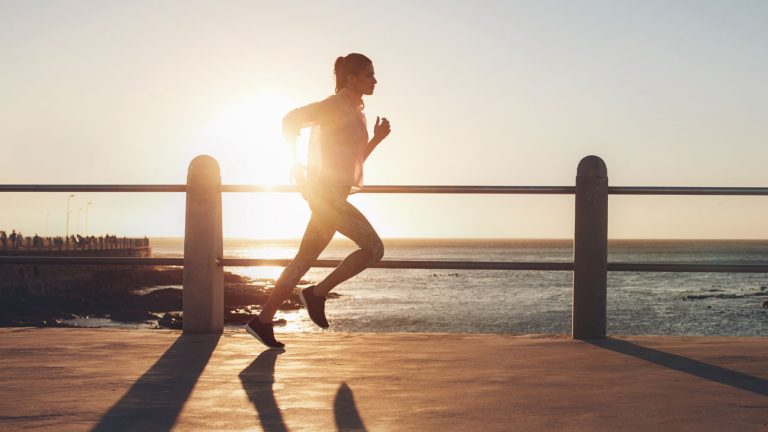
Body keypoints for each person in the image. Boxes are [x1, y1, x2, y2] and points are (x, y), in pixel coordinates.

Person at [246, 53, 392, 349]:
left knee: (303, 259)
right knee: (374, 248)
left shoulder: (354, 112)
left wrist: (376, 139)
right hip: (326, 196)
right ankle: (317, 293)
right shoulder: (336, 105)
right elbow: (290, 120)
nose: (375, 80)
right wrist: (292, 162)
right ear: (351, 78)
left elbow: (353, 160)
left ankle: (262, 321)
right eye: (369, 74)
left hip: (332, 195)